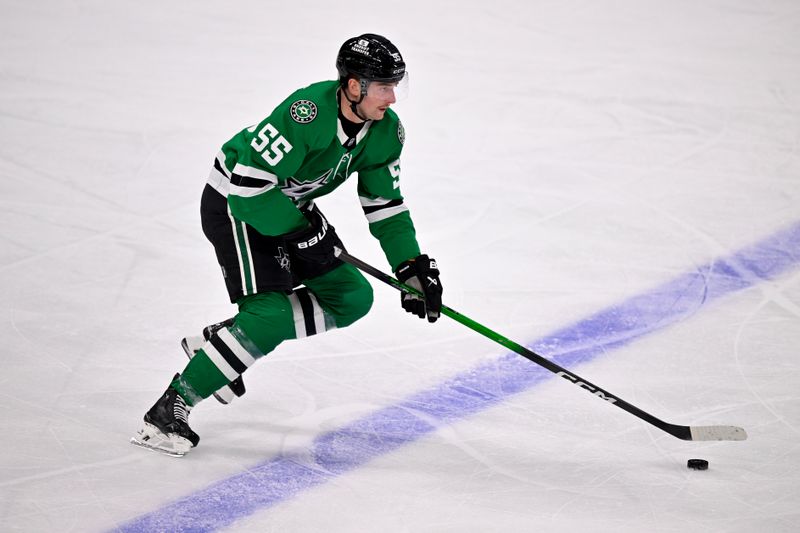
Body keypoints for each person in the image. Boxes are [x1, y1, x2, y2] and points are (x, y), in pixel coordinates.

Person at [131, 33, 443, 456]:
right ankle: (170, 410)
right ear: (354, 85)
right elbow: (247, 188)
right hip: (237, 205)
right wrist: (298, 233)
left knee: (351, 297)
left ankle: (222, 342)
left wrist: (410, 266)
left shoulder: (386, 132)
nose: (392, 97)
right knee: (271, 313)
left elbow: (385, 204)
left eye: (396, 86)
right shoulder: (306, 113)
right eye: (384, 86)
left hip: (288, 207)